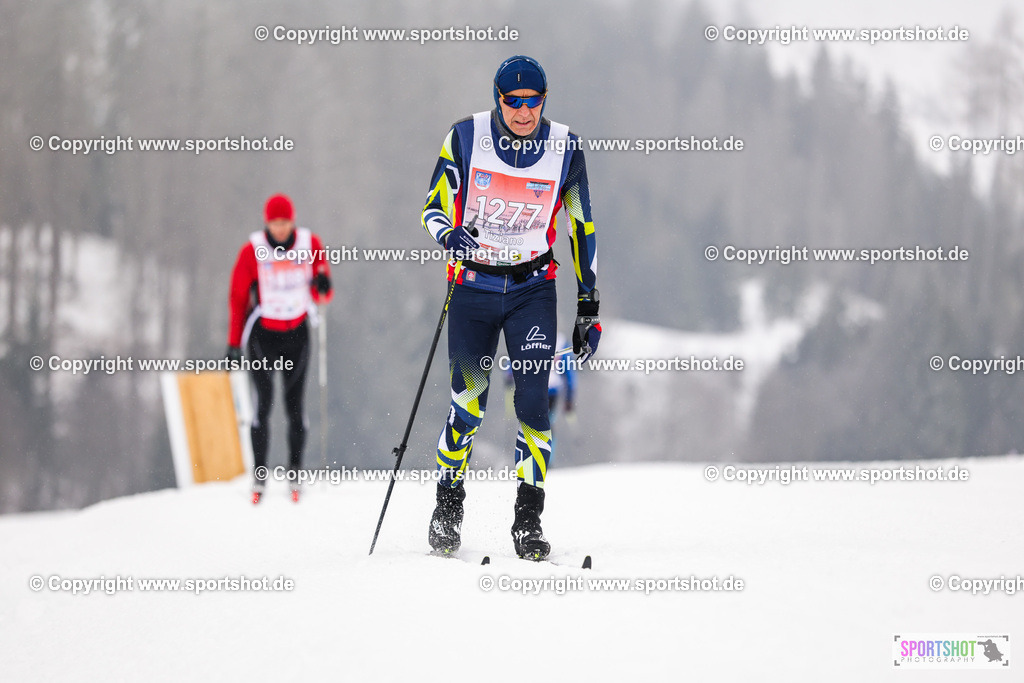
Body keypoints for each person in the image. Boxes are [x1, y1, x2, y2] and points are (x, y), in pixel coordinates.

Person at [420, 55, 601, 559]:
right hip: (473, 288)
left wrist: (589, 304)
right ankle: (447, 506)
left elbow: (582, 228)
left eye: (533, 102)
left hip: (532, 290)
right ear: (497, 99)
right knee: (468, 405)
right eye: (513, 102)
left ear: (545, 100)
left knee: (533, 404)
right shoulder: (465, 137)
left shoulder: (565, 147)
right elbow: (432, 208)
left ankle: (528, 522)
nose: (523, 112)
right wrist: (449, 236)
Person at [226, 193, 333, 504]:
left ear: (293, 220)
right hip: (263, 337)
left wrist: (322, 287)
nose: (280, 228)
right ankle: (259, 477)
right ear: (267, 222)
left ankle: (295, 472)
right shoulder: (252, 250)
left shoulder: (309, 244)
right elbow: (237, 297)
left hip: (297, 334)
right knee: (263, 406)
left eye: (285, 222)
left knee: (295, 406)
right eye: (275, 222)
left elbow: (323, 289)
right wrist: (234, 343)